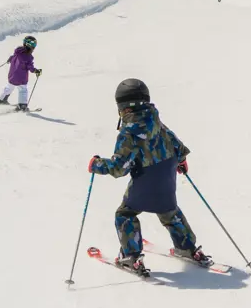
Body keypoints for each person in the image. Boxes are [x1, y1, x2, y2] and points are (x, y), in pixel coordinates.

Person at [88, 79, 212, 276]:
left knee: (125, 214)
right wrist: (181, 159)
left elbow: (120, 168)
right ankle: (188, 248)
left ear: (122, 106)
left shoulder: (130, 131)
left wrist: (97, 164)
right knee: (170, 211)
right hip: (166, 176)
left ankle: (132, 257)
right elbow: (173, 140)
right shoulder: (155, 119)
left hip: (144, 180)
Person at [0, 35, 42, 111]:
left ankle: (1, 99)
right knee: (23, 90)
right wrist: (36, 71)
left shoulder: (17, 52)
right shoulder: (28, 57)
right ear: (30, 46)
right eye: (34, 45)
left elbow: (14, 57)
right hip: (21, 79)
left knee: (9, 88)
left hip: (12, 76)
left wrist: (10, 58)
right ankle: (22, 105)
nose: (34, 47)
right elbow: (30, 68)